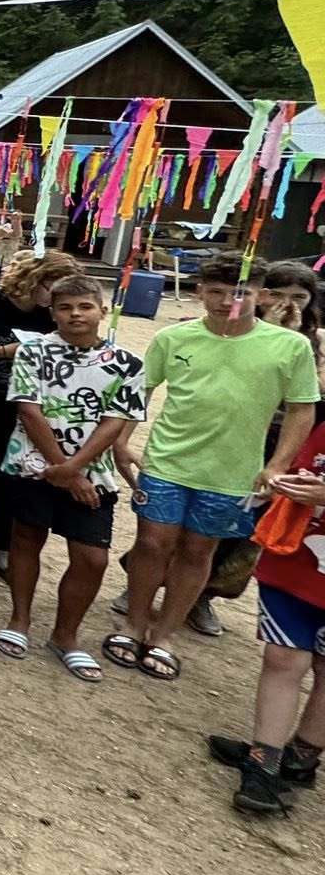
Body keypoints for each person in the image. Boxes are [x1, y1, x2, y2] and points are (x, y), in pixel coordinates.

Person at [111, 255, 318, 682]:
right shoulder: (173, 337)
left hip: (233, 471)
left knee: (198, 549)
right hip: (167, 460)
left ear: (261, 295)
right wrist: (121, 441)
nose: (228, 302)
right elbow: (140, 390)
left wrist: (277, 465)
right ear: (199, 292)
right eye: (217, 292)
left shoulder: (290, 346)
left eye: (240, 292)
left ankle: (164, 635)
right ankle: (133, 624)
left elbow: (302, 408)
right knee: (151, 543)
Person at [0, 275, 147, 682]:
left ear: (102, 310)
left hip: (92, 473)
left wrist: (74, 470)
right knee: (26, 538)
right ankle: (20, 619)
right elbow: (29, 410)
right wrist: (61, 468)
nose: (76, 314)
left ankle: (66, 634)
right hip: (31, 464)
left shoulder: (127, 363)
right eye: (65, 307)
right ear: (52, 312)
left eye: (84, 306)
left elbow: (116, 420)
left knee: (92, 557)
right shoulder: (34, 351)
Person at [205, 418, 325, 813]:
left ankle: (301, 756)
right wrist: (281, 481)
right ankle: (264, 761)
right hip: (298, 555)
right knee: (284, 656)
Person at [0, 249, 81, 553]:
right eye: (54, 290)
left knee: (13, 481)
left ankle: (3, 546)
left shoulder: (51, 315)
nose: (58, 300)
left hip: (26, 410)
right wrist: (6, 351)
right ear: (35, 279)